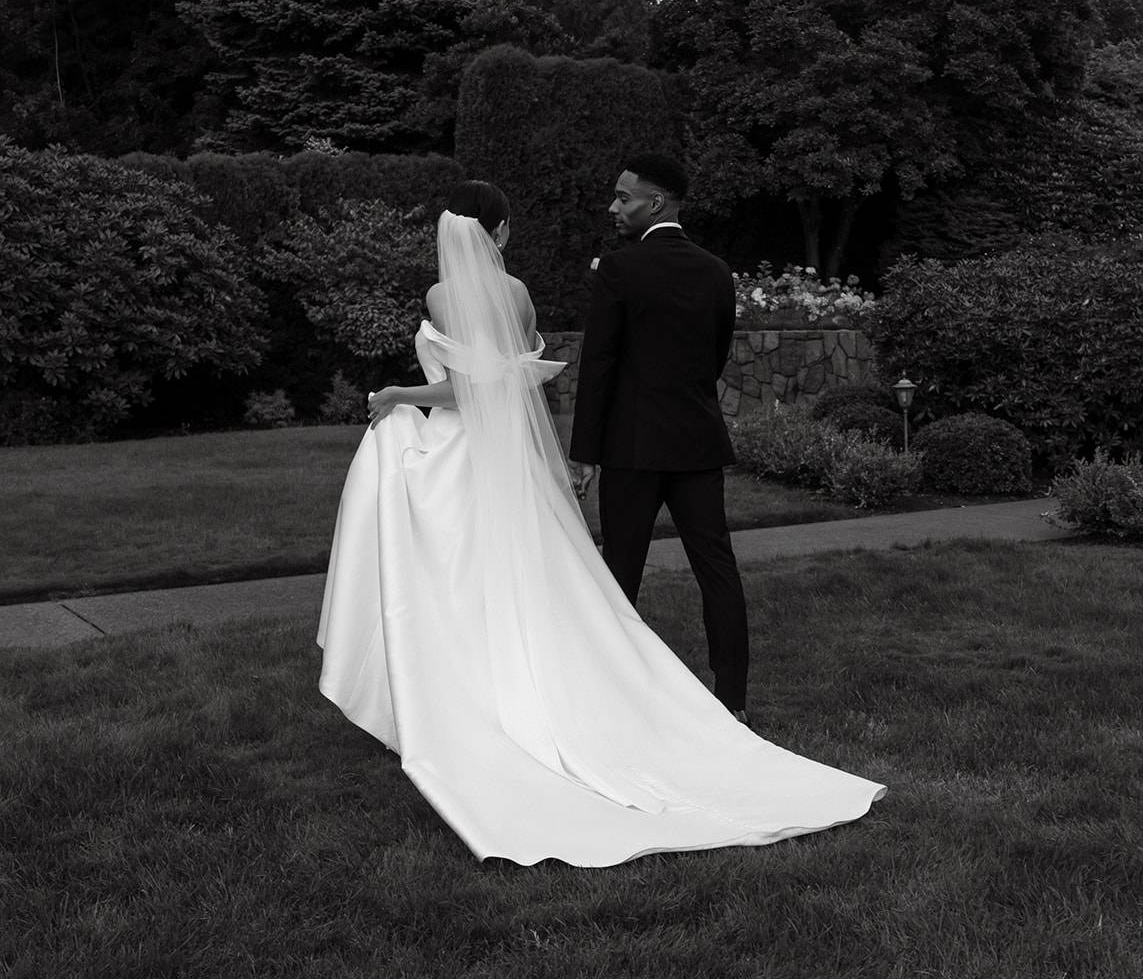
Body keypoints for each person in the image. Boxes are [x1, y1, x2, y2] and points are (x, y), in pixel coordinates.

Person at [317, 179, 884, 866]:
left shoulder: (443, 296)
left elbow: (476, 387)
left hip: (460, 453)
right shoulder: (520, 293)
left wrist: (398, 393)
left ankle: (457, 693)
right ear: (499, 233)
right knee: (537, 573)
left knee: (454, 573)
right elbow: (526, 376)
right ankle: (669, 693)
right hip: (514, 460)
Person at [569, 155, 750, 720]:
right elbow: (715, 355)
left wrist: (585, 454)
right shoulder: (716, 270)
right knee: (716, 568)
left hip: (630, 447)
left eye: (623, 197)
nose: (613, 206)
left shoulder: (618, 270)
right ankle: (734, 703)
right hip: (696, 443)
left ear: (656, 202)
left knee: (620, 572)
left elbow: (597, 364)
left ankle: (614, 700)